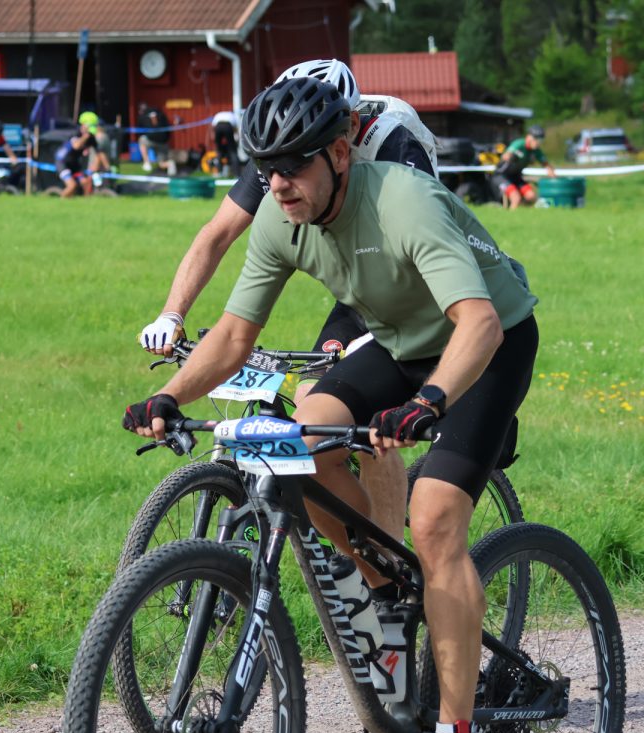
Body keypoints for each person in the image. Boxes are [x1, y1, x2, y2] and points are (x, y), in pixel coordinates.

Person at [125, 77, 539, 733]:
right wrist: (169, 395)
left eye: (294, 166)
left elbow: (478, 322)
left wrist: (429, 402)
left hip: (487, 343)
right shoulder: (279, 216)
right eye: (266, 168)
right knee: (301, 439)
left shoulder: (403, 200)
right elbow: (234, 334)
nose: (278, 183)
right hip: (401, 341)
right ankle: (389, 590)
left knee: (434, 520)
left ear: (340, 154)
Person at [138, 57, 440, 548]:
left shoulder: (392, 141)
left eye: (298, 155)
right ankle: (355, 547)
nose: (282, 174)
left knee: (367, 419)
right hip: (353, 285)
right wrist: (172, 314)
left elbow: (413, 260)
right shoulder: (284, 150)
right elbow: (217, 234)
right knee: (311, 404)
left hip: (403, 285)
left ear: (346, 127)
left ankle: (388, 558)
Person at [497, 124, 556, 209]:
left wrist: (551, 172)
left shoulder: (536, 151)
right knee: (516, 198)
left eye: (540, 141)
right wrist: (511, 156)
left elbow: (546, 164)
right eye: (536, 139)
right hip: (502, 176)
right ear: (529, 137)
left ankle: (521, 212)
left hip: (516, 177)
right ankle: (511, 216)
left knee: (531, 196)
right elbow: (506, 155)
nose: (538, 143)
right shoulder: (519, 144)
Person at [53, 120, 111, 197]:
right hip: (62, 163)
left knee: (86, 182)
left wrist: (99, 167)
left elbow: (99, 153)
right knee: (72, 186)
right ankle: (60, 201)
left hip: (74, 164)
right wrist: (85, 136)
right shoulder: (76, 134)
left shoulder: (91, 139)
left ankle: (85, 201)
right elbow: (76, 146)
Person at [135, 103, 171, 171]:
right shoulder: (161, 114)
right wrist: (165, 139)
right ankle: (170, 164)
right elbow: (168, 130)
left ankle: (146, 163)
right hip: (163, 142)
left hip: (156, 141)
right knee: (161, 164)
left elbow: (140, 132)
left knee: (142, 140)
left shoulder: (142, 117)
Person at [211, 109, 238, 177]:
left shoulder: (218, 114)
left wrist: (213, 135)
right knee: (232, 151)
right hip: (228, 126)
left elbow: (213, 127)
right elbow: (235, 129)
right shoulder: (232, 115)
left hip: (218, 127)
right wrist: (235, 141)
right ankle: (236, 173)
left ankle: (218, 172)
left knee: (219, 150)